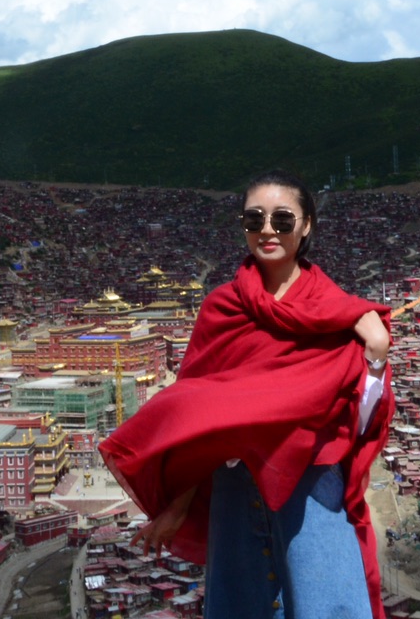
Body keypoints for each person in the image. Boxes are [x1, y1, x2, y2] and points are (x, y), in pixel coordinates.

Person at [100, 169, 394, 619]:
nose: (267, 231)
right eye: (255, 219)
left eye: (282, 219)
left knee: (327, 605)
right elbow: (198, 419)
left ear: (307, 224)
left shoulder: (341, 313)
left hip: (311, 485)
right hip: (235, 490)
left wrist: (374, 355)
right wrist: (178, 507)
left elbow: (355, 420)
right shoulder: (223, 308)